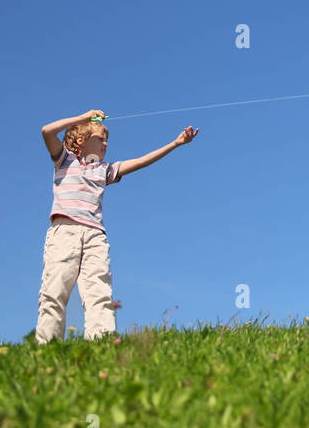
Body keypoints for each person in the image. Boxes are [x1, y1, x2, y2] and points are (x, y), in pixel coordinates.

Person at [36, 109, 198, 343]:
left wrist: (175, 143)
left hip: (95, 236)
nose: (106, 144)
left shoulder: (104, 170)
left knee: (99, 292)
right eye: (100, 138)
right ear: (81, 141)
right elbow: (47, 130)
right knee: (54, 292)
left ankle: (101, 344)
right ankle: (46, 347)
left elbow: (142, 161)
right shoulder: (64, 161)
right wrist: (84, 118)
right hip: (65, 231)